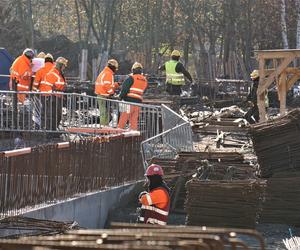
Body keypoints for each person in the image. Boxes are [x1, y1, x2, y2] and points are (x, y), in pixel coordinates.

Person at [117, 62, 148, 130]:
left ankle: (118, 132)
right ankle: (133, 134)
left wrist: (120, 97)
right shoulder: (145, 80)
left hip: (128, 102)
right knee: (134, 120)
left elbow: (124, 89)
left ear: (133, 70)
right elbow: (144, 91)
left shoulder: (131, 78)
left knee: (123, 118)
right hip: (138, 103)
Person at [40, 57, 68, 130]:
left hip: (57, 97)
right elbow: (48, 86)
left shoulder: (59, 74)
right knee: (52, 115)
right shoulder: (53, 74)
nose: (64, 68)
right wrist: (53, 94)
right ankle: (51, 131)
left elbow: (60, 84)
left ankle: (54, 129)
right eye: (63, 66)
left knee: (57, 115)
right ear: (60, 65)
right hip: (52, 98)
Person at [95, 59, 119, 126]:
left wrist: (116, 85)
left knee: (105, 113)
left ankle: (104, 127)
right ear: (113, 67)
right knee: (104, 114)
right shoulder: (108, 74)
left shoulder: (105, 72)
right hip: (103, 96)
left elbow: (107, 85)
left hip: (102, 95)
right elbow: (107, 86)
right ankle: (103, 129)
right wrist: (112, 93)